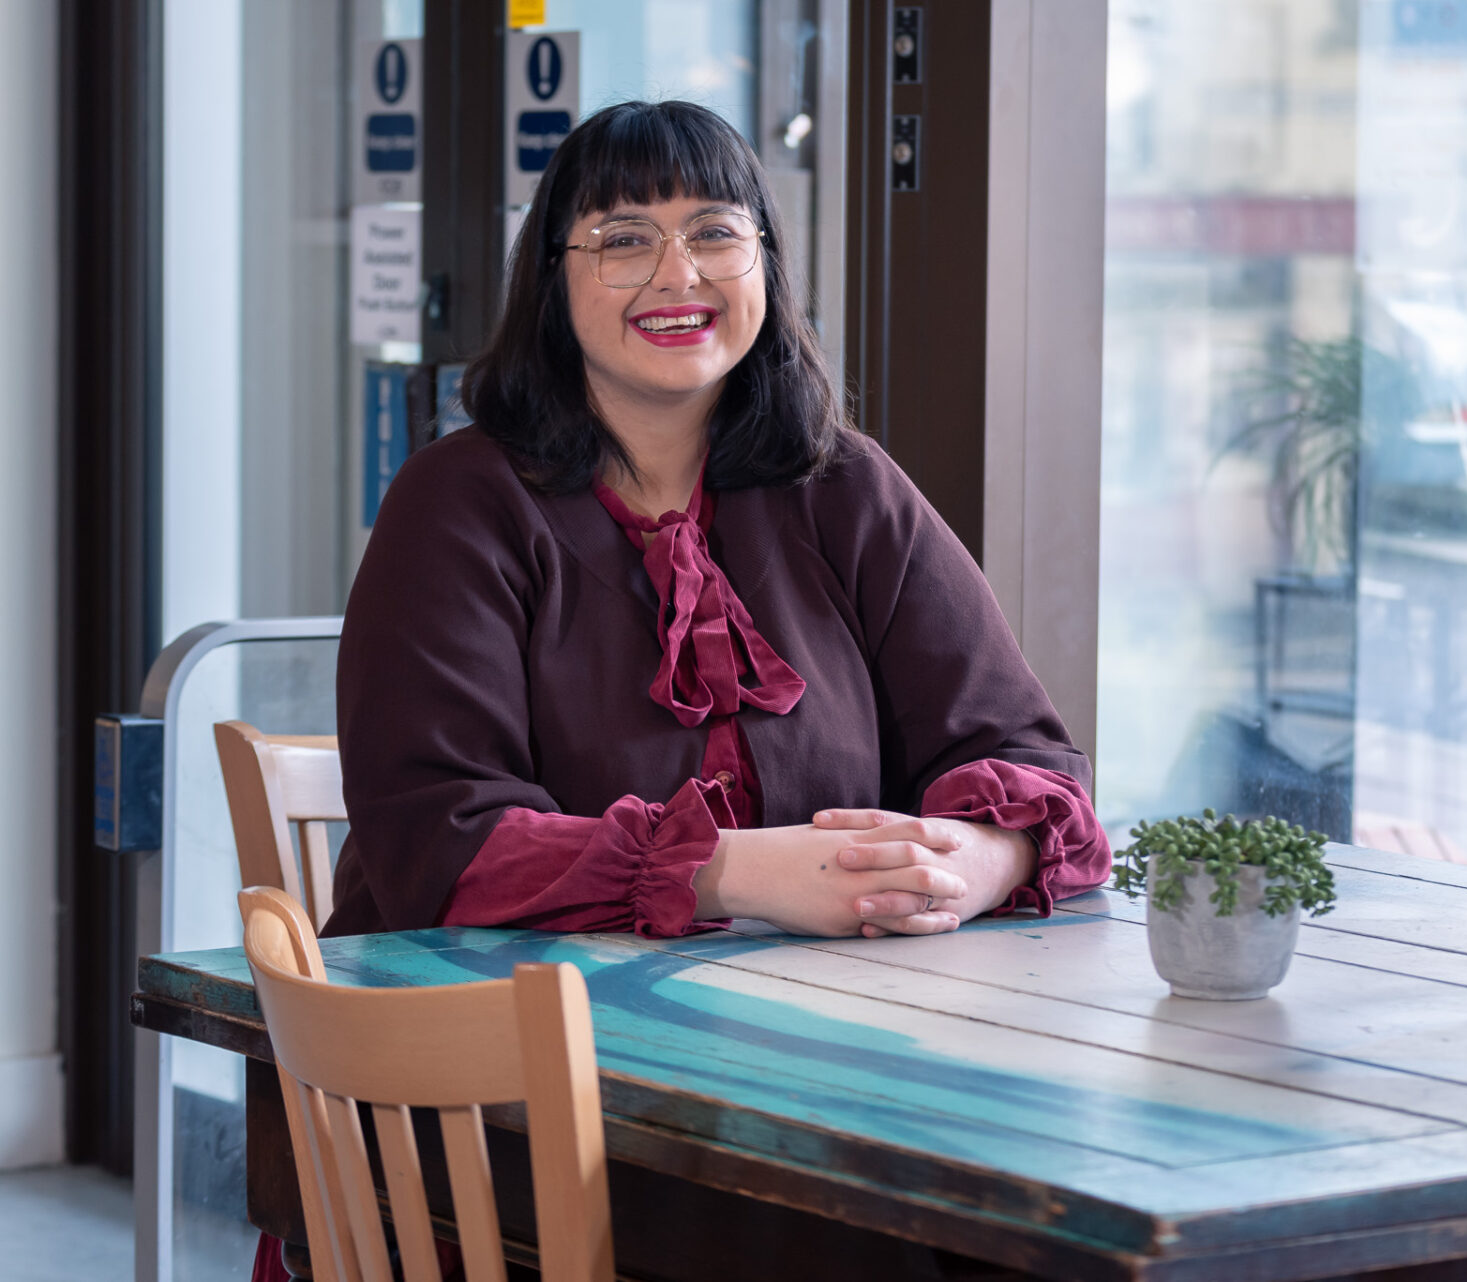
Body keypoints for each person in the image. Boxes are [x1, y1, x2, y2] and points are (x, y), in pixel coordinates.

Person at [253, 99, 1111, 1282]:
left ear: (764, 260)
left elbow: (1024, 750)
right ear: (553, 282)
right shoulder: (456, 503)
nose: (678, 272)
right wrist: (744, 871)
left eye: (715, 231)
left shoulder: (845, 485)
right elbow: (439, 849)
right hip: (487, 1115)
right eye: (621, 238)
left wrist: (975, 860)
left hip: (821, 1076)